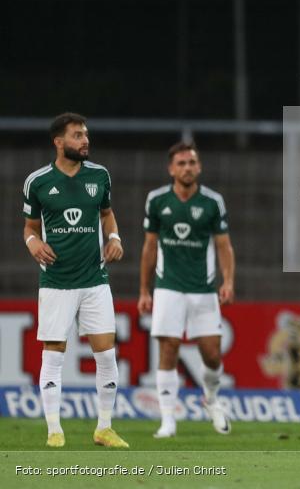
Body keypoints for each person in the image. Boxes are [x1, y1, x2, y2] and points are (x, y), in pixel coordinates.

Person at [22, 112, 129, 448]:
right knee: (53, 355)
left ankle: (104, 428)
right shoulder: (37, 182)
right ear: (59, 142)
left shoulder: (99, 175)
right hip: (56, 282)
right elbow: (29, 227)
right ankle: (54, 430)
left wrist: (115, 239)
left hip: (94, 281)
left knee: (107, 354)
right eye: (78, 135)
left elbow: (107, 214)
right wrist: (33, 243)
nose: (85, 141)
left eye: (86, 135)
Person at [138, 142, 236, 439]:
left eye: (192, 163)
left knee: (212, 354)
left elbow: (223, 245)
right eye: (181, 163)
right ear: (171, 169)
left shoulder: (212, 202)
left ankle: (212, 400)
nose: (187, 168)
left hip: (203, 289)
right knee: (168, 349)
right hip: (168, 286)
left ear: (199, 167)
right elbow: (149, 246)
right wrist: (144, 290)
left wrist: (228, 281)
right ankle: (168, 420)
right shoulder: (157, 201)